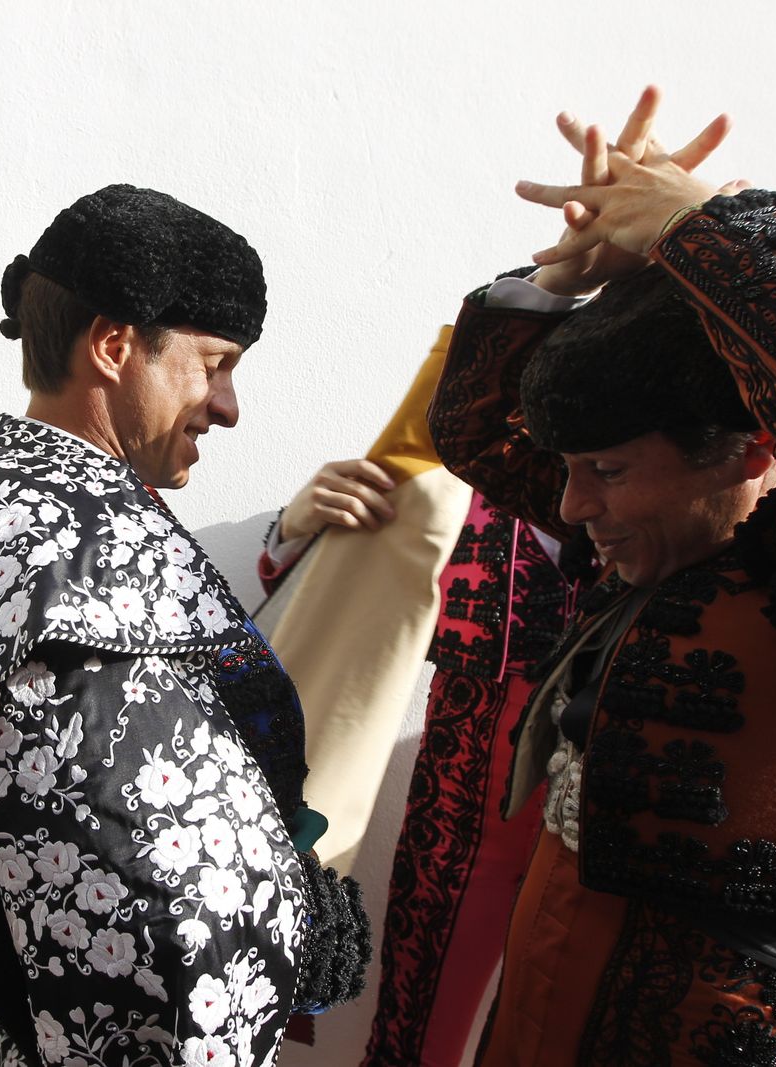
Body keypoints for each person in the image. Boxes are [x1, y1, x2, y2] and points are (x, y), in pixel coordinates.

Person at [0, 184, 369, 1067]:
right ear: (113, 346)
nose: (227, 404)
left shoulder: (43, 510)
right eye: (213, 363)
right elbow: (131, 886)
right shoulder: (52, 528)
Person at [427, 87, 776, 1065]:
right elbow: (477, 428)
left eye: (605, 471)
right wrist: (574, 275)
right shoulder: (664, 535)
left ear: (743, 453)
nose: (569, 506)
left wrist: (707, 235)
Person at [258, 342, 585, 1067]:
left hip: (623, 787)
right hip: (467, 794)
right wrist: (296, 529)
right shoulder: (454, 471)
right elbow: (335, 607)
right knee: (420, 1030)